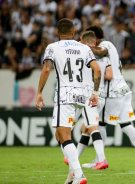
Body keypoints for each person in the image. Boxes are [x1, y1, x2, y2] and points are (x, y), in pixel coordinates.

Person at [35, 18, 101, 184]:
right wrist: (95, 92)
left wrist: (39, 92)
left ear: (57, 32)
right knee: (60, 135)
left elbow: (46, 69)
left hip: (64, 95)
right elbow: (97, 69)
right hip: (81, 97)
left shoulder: (52, 47)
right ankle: (73, 175)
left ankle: (79, 175)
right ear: (73, 33)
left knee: (64, 136)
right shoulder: (84, 48)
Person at [81, 25, 135, 170]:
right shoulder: (111, 50)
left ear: (93, 38)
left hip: (112, 93)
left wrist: (84, 48)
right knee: (126, 125)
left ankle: (99, 160)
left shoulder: (105, 45)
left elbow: (101, 53)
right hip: (123, 90)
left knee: (100, 124)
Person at [64, 30, 110, 170]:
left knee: (92, 126)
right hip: (101, 95)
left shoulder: (82, 51)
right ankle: (74, 158)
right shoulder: (103, 55)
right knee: (86, 128)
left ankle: (101, 159)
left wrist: (80, 45)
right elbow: (103, 51)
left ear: (83, 41)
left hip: (90, 94)